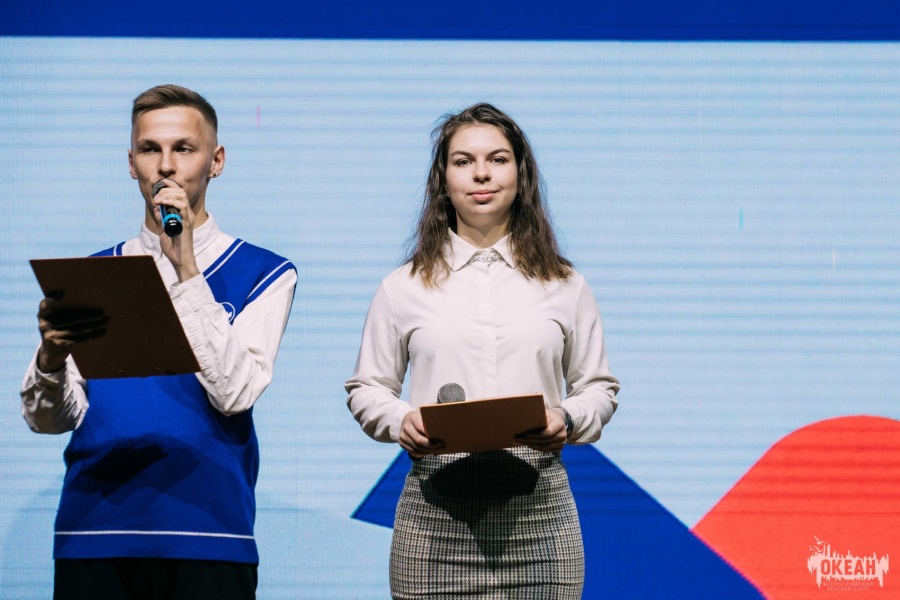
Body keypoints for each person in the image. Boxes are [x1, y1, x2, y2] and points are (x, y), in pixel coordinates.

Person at [20, 84, 297, 600]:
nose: (165, 166)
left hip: (210, 533)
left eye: (183, 149)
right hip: (95, 530)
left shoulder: (263, 272)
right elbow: (48, 421)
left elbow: (234, 394)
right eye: (150, 149)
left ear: (216, 161)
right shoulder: (96, 275)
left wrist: (186, 267)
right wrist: (51, 358)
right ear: (132, 163)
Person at [345, 103, 620, 599]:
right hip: (435, 516)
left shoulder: (564, 284)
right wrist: (401, 420)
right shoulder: (402, 287)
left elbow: (598, 387)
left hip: (540, 514)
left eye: (497, 159)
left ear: (520, 174)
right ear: (443, 179)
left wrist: (566, 418)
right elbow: (367, 387)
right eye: (463, 161)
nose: (481, 173)